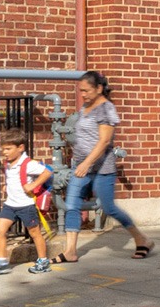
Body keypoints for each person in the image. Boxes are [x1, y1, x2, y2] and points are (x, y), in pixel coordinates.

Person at [59, 71, 152, 261]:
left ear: (99, 88)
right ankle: (70, 252)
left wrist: (86, 163)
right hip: (81, 166)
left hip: (102, 169)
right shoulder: (86, 106)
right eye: (81, 91)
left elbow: (104, 141)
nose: (82, 94)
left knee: (109, 208)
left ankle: (142, 239)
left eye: (86, 90)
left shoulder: (106, 109)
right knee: (72, 205)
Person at [0, 129, 53, 274]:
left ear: (20, 148)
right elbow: (14, 178)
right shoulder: (8, 163)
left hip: (26, 205)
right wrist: (7, 186)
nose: (5, 152)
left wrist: (33, 185)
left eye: (9, 149)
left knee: (35, 233)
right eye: (3, 149)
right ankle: (2, 261)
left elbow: (47, 172)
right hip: (10, 204)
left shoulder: (28, 164)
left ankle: (43, 261)